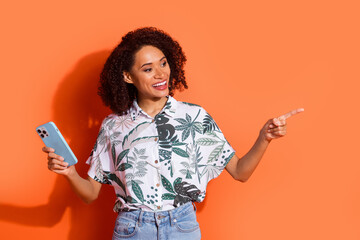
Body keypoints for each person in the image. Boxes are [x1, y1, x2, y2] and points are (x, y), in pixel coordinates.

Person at [43, 27, 304, 240]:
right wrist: (68, 172)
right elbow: (90, 194)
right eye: (147, 69)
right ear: (127, 76)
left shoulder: (194, 117)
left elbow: (240, 172)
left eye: (164, 63)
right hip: (133, 229)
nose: (161, 74)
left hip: (182, 226)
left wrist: (264, 138)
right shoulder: (114, 127)